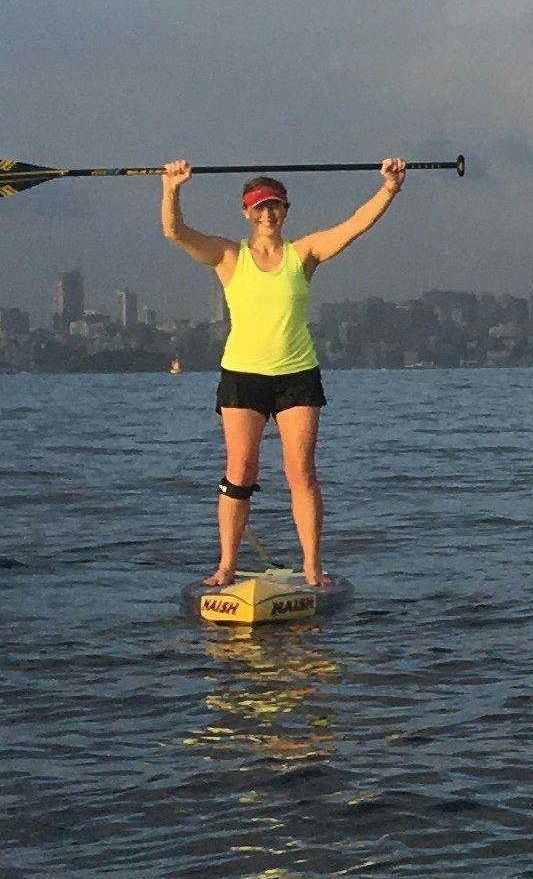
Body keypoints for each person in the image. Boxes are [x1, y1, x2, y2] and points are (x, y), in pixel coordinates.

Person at [161, 158, 410, 591]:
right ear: (246, 213)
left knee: (302, 473)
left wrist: (389, 188)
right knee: (240, 472)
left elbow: (353, 226)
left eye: (274, 206)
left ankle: (313, 568)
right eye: (259, 207)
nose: (267, 214)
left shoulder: (304, 253)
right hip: (243, 376)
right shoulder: (228, 256)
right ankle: (226, 568)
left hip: (297, 375)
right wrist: (171, 188)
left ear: (286, 210)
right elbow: (175, 232)